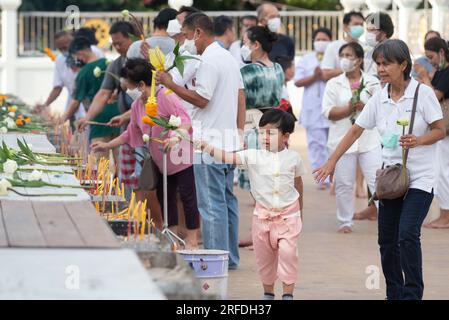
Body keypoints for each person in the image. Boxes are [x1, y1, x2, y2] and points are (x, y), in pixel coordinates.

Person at [315, 39, 445, 300]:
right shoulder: (379, 98)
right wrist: (332, 161)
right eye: (378, 64)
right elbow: (355, 131)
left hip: (421, 177)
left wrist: (419, 140)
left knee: (407, 233)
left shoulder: (423, 94)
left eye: (387, 64)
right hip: (391, 179)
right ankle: (394, 294)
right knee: (387, 240)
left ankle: (412, 295)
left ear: (404, 65)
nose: (381, 68)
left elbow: (440, 130)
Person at [155, 13, 246, 269]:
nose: (184, 42)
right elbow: (239, 96)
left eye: (185, 36)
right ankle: (230, 259)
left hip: (210, 143)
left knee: (212, 206)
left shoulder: (209, 60)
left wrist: (170, 84)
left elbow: (202, 99)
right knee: (227, 202)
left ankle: (217, 261)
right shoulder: (227, 57)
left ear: (197, 33)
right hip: (227, 141)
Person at [197, 109, 306, 300]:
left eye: (270, 133)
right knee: (264, 258)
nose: (264, 137)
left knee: (289, 254)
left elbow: (298, 185)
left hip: (289, 216)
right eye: (261, 132)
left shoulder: (293, 159)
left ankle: (288, 295)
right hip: (262, 218)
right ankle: (268, 293)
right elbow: (228, 157)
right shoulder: (253, 156)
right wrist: (207, 147)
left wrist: (300, 211)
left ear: (286, 136)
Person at [91, 58, 200, 248]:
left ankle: (192, 240)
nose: (126, 89)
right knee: (165, 198)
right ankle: (172, 238)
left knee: (187, 197)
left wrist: (175, 137)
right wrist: (107, 146)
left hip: (179, 155)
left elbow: (185, 120)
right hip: (160, 159)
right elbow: (130, 133)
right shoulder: (137, 106)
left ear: (141, 84)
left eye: (129, 85)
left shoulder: (165, 96)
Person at [321, 42, 382, 232]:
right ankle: (345, 220)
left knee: (378, 181)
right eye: (342, 55)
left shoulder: (372, 82)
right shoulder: (333, 83)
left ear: (359, 60)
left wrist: (365, 107)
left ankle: (388, 219)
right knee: (344, 183)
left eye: (349, 55)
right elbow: (328, 112)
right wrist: (349, 108)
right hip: (341, 139)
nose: (345, 59)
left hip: (369, 140)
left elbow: (380, 109)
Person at [77, 21, 139, 199]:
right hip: (126, 127)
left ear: (132, 39)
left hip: (142, 127)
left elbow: (145, 102)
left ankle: (141, 214)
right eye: (115, 44)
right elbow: (103, 94)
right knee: (125, 175)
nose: (118, 47)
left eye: (120, 43)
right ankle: (129, 209)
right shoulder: (116, 64)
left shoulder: (144, 61)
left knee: (140, 178)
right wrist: (87, 117)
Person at [60, 36, 120, 161]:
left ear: (80, 53)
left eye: (76, 57)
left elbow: (75, 102)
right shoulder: (109, 63)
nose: (77, 60)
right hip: (119, 116)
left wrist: (62, 119)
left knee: (101, 162)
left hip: (98, 118)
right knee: (119, 160)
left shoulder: (84, 73)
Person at [417, 37, 449, 229]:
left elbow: (434, 97)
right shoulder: (441, 72)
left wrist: (425, 77)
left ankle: (445, 215)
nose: (431, 62)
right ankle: (443, 213)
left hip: (445, 132)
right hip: (443, 131)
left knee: (443, 173)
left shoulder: (446, 73)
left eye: (431, 57)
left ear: (441, 52)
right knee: (441, 172)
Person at [295, 27, 331, 189]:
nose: (321, 42)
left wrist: (324, 75)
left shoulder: (335, 58)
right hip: (312, 108)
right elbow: (297, 81)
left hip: (331, 107)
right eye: (318, 39)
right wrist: (314, 76)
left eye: (324, 39)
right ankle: (321, 179)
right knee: (316, 145)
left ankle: (333, 177)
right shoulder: (306, 59)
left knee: (332, 144)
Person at [321, 11, 365, 81]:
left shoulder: (367, 48)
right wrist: (348, 68)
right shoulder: (333, 46)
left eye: (361, 24)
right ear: (345, 27)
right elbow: (325, 74)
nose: (359, 27)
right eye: (356, 24)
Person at [364, 12, 395, 78]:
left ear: (384, 32)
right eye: (367, 30)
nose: (368, 33)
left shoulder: (393, 51)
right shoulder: (369, 49)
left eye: (372, 30)